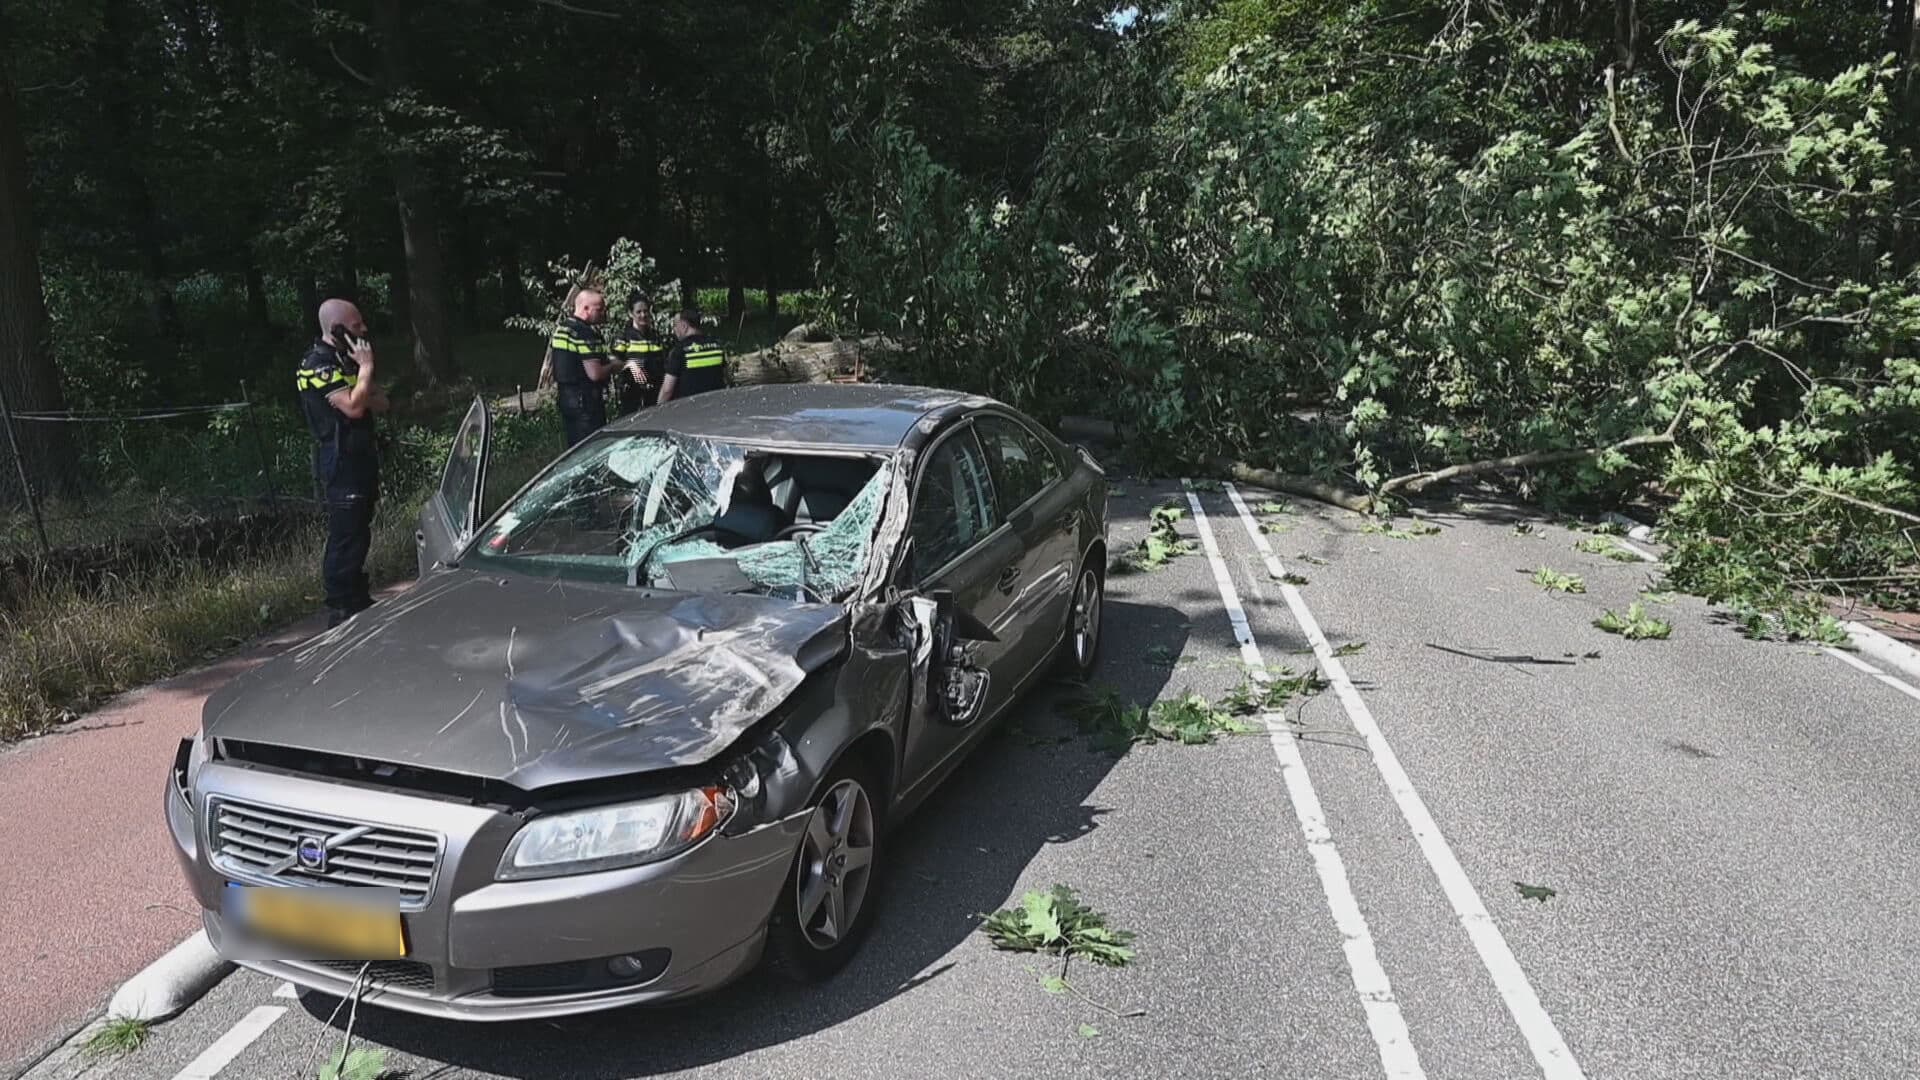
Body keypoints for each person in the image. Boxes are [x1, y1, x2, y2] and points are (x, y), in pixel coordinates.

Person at [298, 298, 390, 628]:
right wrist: (365, 369)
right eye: (355, 325)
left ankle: (357, 597)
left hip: (361, 454)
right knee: (345, 534)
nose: (363, 329)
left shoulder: (345, 360)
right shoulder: (317, 365)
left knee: (360, 529)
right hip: (340, 459)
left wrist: (363, 378)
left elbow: (380, 401)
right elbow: (353, 407)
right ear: (336, 329)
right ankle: (340, 605)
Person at [549, 288, 612, 446]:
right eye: (599, 309)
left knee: (575, 447)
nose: (603, 313)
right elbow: (595, 373)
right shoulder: (584, 333)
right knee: (592, 447)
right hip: (586, 403)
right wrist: (615, 366)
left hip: (567, 398)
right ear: (586, 308)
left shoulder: (562, 329)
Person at [609, 293, 667, 417]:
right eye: (638, 312)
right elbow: (612, 362)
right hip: (632, 393)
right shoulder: (624, 337)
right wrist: (630, 364)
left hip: (654, 392)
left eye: (645, 311)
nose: (643, 315)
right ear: (631, 314)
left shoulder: (655, 336)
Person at [657, 308, 727, 403]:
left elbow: (667, 390)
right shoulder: (716, 346)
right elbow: (726, 377)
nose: (674, 330)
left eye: (675, 325)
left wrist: (658, 408)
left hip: (691, 407)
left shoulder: (679, 351)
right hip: (717, 404)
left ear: (684, 326)